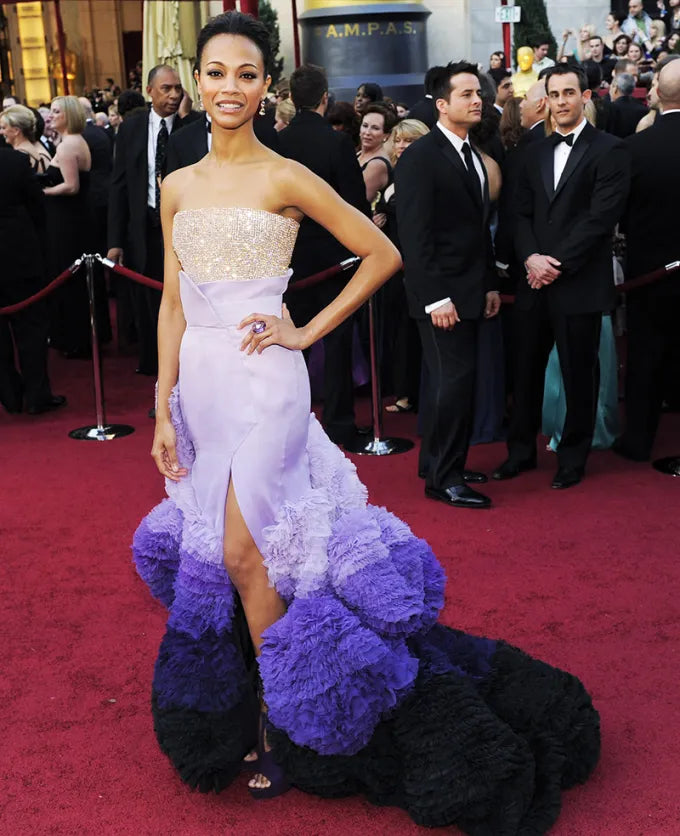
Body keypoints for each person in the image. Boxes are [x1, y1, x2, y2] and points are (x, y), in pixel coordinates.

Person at [132, 14, 601, 828]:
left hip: (266, 383)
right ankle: (283, 691)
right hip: (201, 388)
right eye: (216, 72)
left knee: (244, 551)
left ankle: (283, 721)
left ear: (267, 86)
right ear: (196, 79)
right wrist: (162, 407)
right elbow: (173, 304)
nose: (230, 88)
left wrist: (305, 329)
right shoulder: (176, 184)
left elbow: (383, 254)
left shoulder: (286, 175)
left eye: (247, 74)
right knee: (252, 557)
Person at [493, 63, 630, 490]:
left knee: (578, 374)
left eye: (570, 93)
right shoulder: (532, 151)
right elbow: (518, 213)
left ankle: (573, 457)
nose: (562, 101)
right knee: (525, 374)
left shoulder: (611, 149)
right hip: (533, 282)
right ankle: (520, 452)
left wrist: (553, 263)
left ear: (585, 97)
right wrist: (531, 258)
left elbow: (600, 218)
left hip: (578, 282)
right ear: (546, 101)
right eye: (554, 95)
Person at [396, 62, 501, 509]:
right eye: (467, 95)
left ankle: (443, 463)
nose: (478, 101)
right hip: (440, 296)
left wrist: (490, 284)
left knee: (456, 383)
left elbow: (477, 230)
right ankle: (444, 478)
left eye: (479, 94)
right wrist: (436, 297)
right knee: (451, 384)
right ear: (442, 104)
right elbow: (415, 236)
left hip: (470, 290)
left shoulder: (471, 154)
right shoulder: (421, 157)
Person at [277, 63, 370, 448]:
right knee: (336, 345)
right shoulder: (337, 144)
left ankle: (287, 426)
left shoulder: (276, 145)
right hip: (334, 262)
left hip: (287, 262)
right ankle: (339, 425)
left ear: (291, 98)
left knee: (287, 347)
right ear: (325, 99)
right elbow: (355, 206)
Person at [614, 58, 680, 461]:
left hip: (648, 273)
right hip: (650, 271)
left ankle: (638, 440)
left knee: (645, 355)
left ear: (657, 93)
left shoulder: (633, 149)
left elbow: (618, 212)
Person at [107, 65, 187, 377]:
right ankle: (152, 359)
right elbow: (119, 185)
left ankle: (181, 359)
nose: (174, 95)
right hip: (143, 228)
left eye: (178, 88)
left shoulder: (191, 126)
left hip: (182, 230)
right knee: (145, 294)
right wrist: (115, 241)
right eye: (166, 88)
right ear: (149, 91)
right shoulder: (130, 129)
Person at [0, 146, 65, 414]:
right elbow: (37, 207)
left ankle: (10, 395)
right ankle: (37, 395)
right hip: (20, 256)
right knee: (32, 327)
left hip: (20, 255)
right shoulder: (15, 160)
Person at [372, 118, 429, 414]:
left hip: (411, 265)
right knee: (398, 329)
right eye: (398, 140)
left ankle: (409, 394)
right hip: (394, 266)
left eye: (410, 140)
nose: (402, 146)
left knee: (410, 331)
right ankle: (402, 389)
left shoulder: (422, 174)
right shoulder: (397, 173)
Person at [39, 95, 93, 358]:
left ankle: (73, 338)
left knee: (68, 277)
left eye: (56, 111)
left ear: (69, 115)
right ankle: (74, 336)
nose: (51, 116)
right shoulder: (73, 141)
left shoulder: (68, 145)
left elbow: (72, 186)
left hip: (67, 221)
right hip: (72, 219)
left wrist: (44, 192)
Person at [356, 102, 397, 204]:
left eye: (375, 128)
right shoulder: (359, 154)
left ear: (386, 135)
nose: (367, 132)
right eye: (365, 125)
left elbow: (358, 202)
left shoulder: (377, 165)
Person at [0, 104, 52, 172]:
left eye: (3, 128)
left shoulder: (19, 156)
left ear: (16, 131)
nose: (1, 132)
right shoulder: (36, 153)